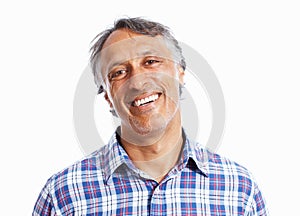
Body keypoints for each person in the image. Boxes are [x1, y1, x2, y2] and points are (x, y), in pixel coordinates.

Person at [33, 17, 269, 215]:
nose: (137, 81)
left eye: (151, 62)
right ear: (107, 96)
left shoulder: (240, 190)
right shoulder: (61, 194)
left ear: (180, 73)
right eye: (119, 72)